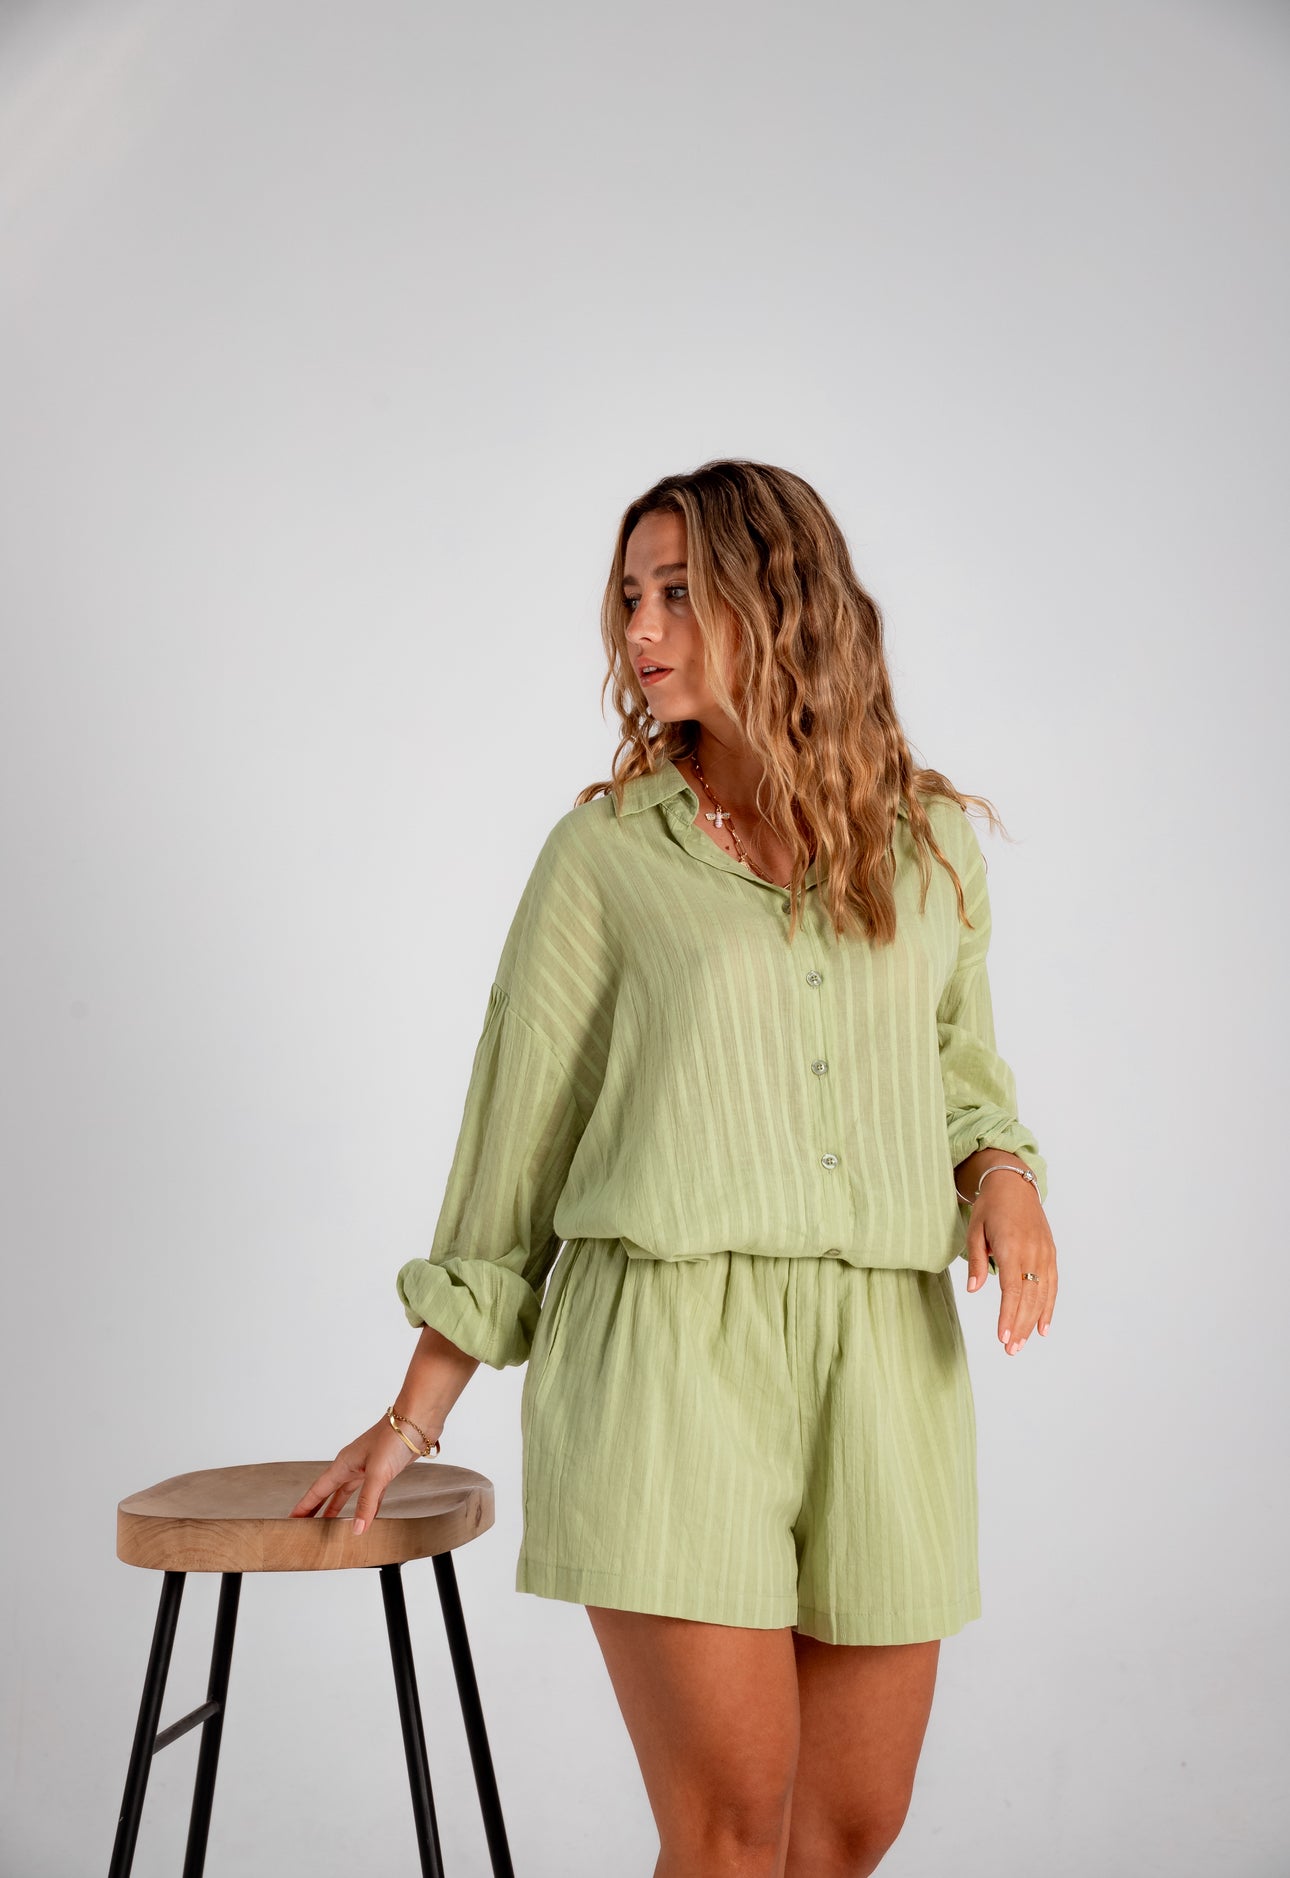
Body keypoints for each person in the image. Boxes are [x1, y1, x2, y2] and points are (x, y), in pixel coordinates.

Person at [292, 458, 1058, 1878]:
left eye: (680, 593)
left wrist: (1001, 1173)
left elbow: (961, 1068)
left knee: (846, 1829)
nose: (640, 629)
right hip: (668, 1356)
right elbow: (514, 1136)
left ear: (784, 604)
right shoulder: (602, 858)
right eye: (630, 596)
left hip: (887, 1360)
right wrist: (414, 1414)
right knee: (726, 1831)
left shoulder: (927, 843)